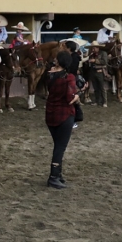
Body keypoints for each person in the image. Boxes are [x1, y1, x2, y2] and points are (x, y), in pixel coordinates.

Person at [45, 51, 79, 189]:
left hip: (50, 114)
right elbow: (70, 98)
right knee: (60, 147)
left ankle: (58, 174)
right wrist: (77, 96)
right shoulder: (69, 77)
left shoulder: (49, 75)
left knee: (57, 145)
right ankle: (53, 176)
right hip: (64, 115)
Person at [87, 41, 109, 107]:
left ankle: (104, 102)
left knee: (102, 87)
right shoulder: (91, 55)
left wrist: (95, 61)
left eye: (93, 48)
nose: (92, 50)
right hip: (93, 72)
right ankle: (97, 101)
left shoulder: (103, 53)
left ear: (97, 48)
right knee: (96, 88)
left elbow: (105, 62)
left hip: (100, 72)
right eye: (92, 48)